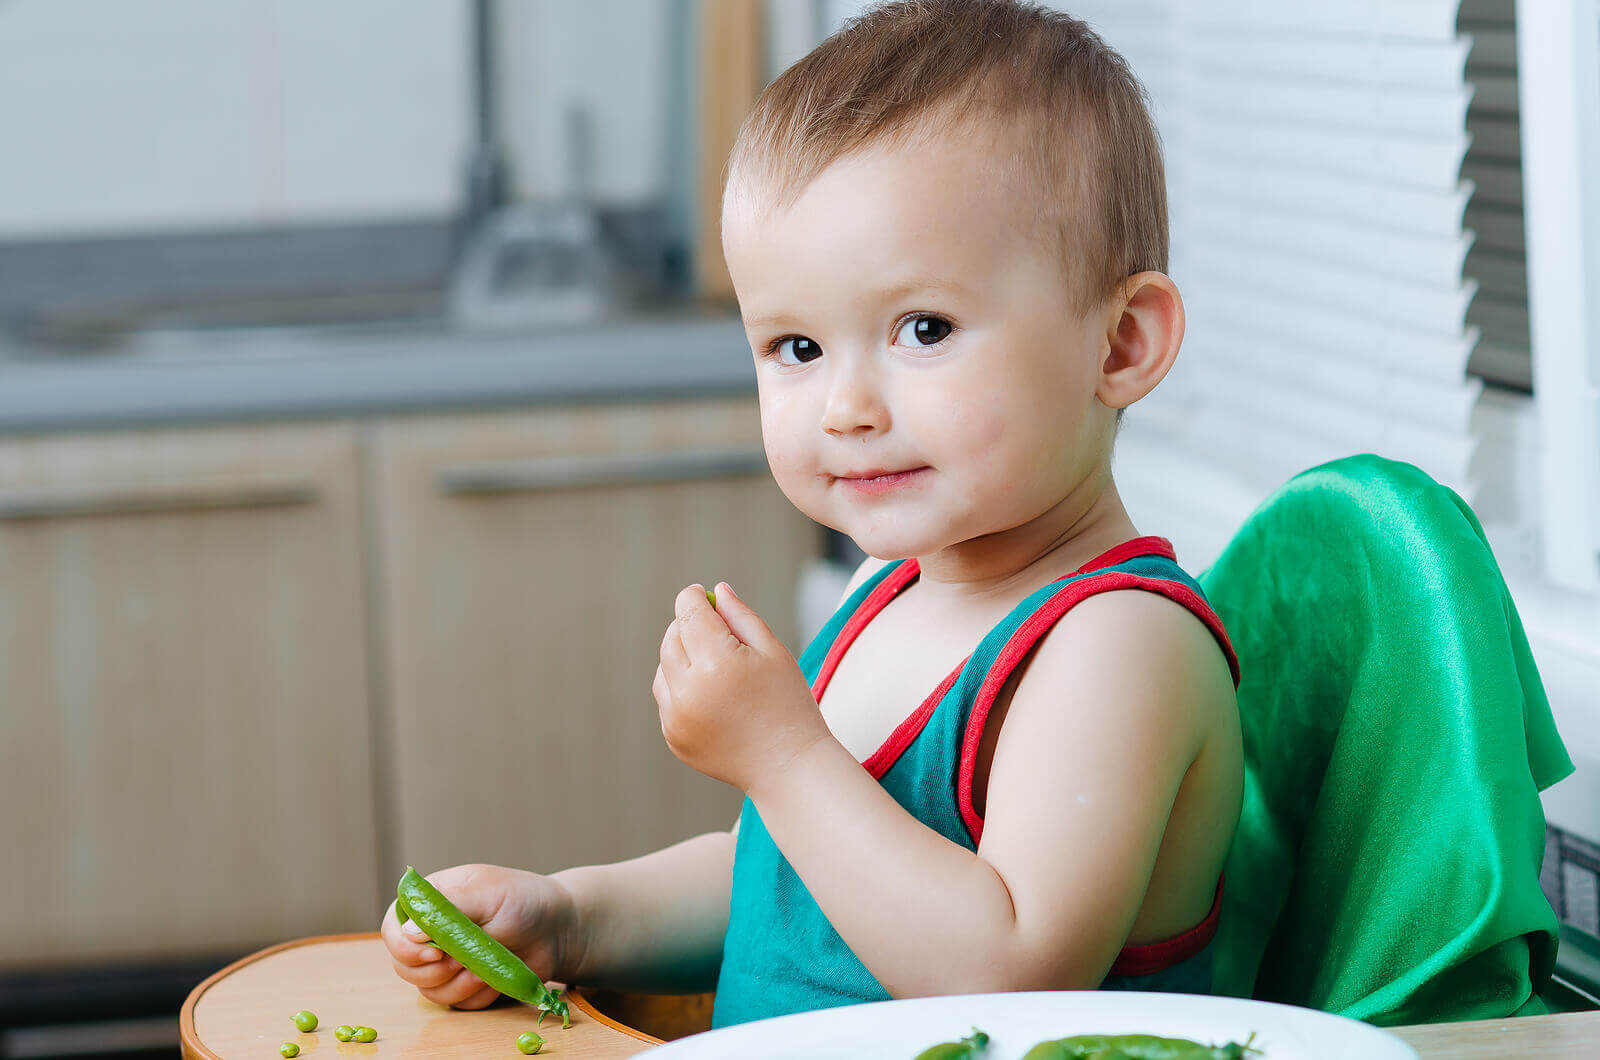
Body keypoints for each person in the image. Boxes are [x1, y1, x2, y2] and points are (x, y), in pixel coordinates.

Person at [381, 0, 1242, 1029]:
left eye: (923, 328)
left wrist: (784, 756)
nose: (845, 407)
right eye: (796, 348)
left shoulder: (1117, 643)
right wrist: (572, 916)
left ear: (1120, 345)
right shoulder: (894, 597)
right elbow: (793, 885)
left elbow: (1012, 970)